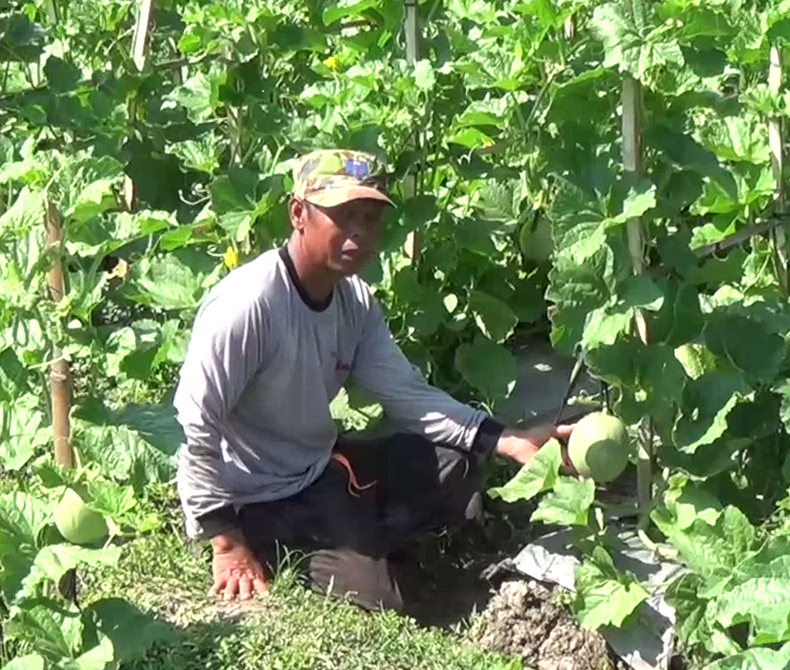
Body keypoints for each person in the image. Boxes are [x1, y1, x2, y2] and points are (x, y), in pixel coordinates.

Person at [172, 148, 575, 613]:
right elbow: (195, 422)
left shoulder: (355, 300)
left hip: (321, 467)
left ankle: (355, 533)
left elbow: (406, 394)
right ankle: (309, 543)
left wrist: (506, 439)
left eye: (371, 218)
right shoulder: (249, 305)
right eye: (344, 217)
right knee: (384, 601)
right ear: (299, 213)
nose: (360, 233)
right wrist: (225, 542)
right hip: (260, 495)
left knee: (457, 464)